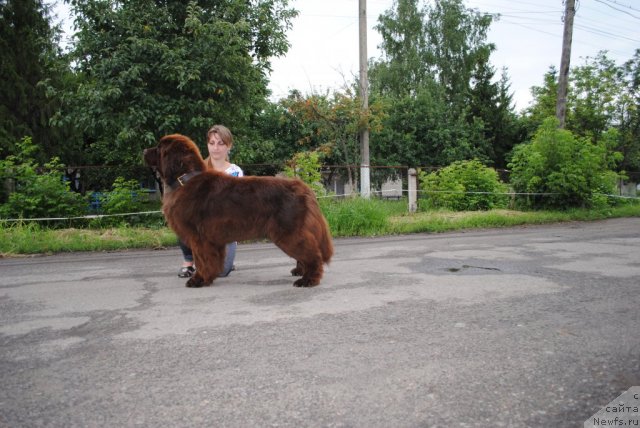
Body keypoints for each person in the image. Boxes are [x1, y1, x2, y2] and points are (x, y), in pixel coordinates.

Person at [177, 124, 243, 278]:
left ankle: (225, 258)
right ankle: (189, 262)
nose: (216, 148)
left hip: (225, 227)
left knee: (221, 272)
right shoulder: (195, 169)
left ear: (229, 146)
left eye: (221, 143)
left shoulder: (236, 171)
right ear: (207, 145)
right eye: (212, 143)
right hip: (201, 225)